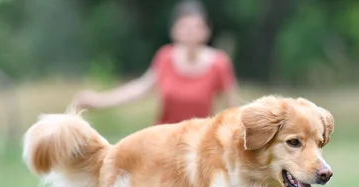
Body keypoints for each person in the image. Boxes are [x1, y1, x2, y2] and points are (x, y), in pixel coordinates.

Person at [72, 1, 238, 125]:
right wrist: (99, 100)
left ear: (206, 31)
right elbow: (140, 88)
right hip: (163, 142)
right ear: (174, 31)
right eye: (185, 26)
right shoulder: (164, 57)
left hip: (199, 146)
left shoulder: (219, 63)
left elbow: (232, 112)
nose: (191, 32)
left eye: (196, 27)